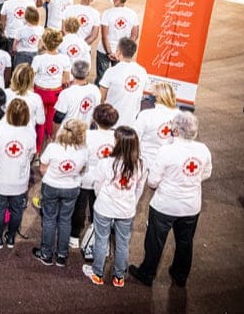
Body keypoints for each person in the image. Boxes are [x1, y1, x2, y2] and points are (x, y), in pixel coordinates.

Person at [129, 111, 212, 288]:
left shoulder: (167, 150)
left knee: (155, 241)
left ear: (175, 130)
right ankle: (180, 275)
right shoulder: (203, 149)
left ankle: (147, 273)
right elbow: (206, 173)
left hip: (165, 204)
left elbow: (152, 181)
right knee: (185, 241)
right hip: (191, 205)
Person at [84, 126, 146, 288]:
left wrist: (100, 197)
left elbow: (97, 182)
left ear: (118, 143)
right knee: (123, 243)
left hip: (105, 207)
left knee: (101, 240)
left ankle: (98, 273)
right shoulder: (140, 164)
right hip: (126, 209)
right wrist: (133, 202)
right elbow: (139, 188)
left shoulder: (107, 162)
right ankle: (119, 276)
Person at [33, 119, 88, 267]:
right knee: (65, 220)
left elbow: (42, 168)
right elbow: (82, 169)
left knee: (49, 219)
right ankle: (62, 255)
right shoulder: (83, 150)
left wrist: (51, 178)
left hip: (51, 185)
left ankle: (46, 254)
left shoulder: (53, 147)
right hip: (71, 188)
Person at [0, 98, 36, 250]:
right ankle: (11, 237)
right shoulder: (29, 132)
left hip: (1, 176)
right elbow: (32, 154)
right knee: (16, 209)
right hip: (20, 179)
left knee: (0, 208)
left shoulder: (0, 129)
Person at [70, 103, 118, 249]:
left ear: (95, 119)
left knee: (79, 207)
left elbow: (79, 156)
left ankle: (74, 236)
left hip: (86, 177)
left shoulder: (87, 135)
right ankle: (96, 234)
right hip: (105, 178)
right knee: (98, 206)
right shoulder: (117, 137)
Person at [99, 37, 148, 127]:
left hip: (110, 121)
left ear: (118, 52)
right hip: (130, 123)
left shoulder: (111, 71)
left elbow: (101, 98)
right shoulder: (142, 71)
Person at [96, 0, 140, 84]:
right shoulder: (132, 14)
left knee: (101, 77)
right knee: (118, 78)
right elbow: (135, 35)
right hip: (121, 52)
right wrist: (122, 50)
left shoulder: (107, 13)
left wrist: (109, 52)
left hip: (104, 50)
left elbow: (104, 36)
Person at [135, 82, 180, 170]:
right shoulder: (180, 116)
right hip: (169, 165)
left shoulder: (146, 115)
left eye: (152, 94)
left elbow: (135, 138)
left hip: (145, 163)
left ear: (158, 97)